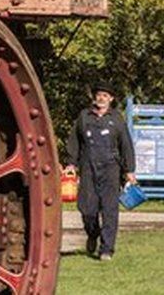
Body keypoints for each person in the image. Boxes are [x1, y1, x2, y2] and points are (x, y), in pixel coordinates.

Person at [64, 82, 136, 261]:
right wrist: (71, 163)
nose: (101, 98)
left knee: (110, 210)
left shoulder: (117, 119)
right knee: (87, 209)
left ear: (111, 99)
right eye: (99, 95)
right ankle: (92, 233)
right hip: (88, 167)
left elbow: (125, 145)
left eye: (105, 95)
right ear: (94, 97)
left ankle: (106, 250)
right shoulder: (84, 116)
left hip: (111, 168)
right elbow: (74, 141)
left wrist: (129, 170)